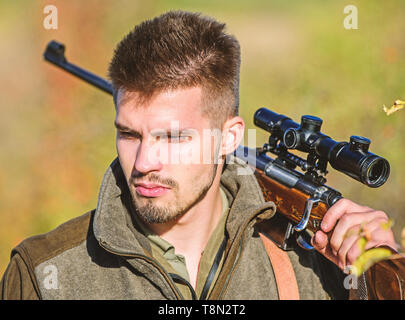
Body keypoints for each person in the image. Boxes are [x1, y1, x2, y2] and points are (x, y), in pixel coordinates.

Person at [0, 10, 400, 300]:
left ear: (228, 139)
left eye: (173, 137)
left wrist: (371, 277)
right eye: (129, 133)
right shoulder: (43, 274)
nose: (143, 163)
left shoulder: (320, 270)